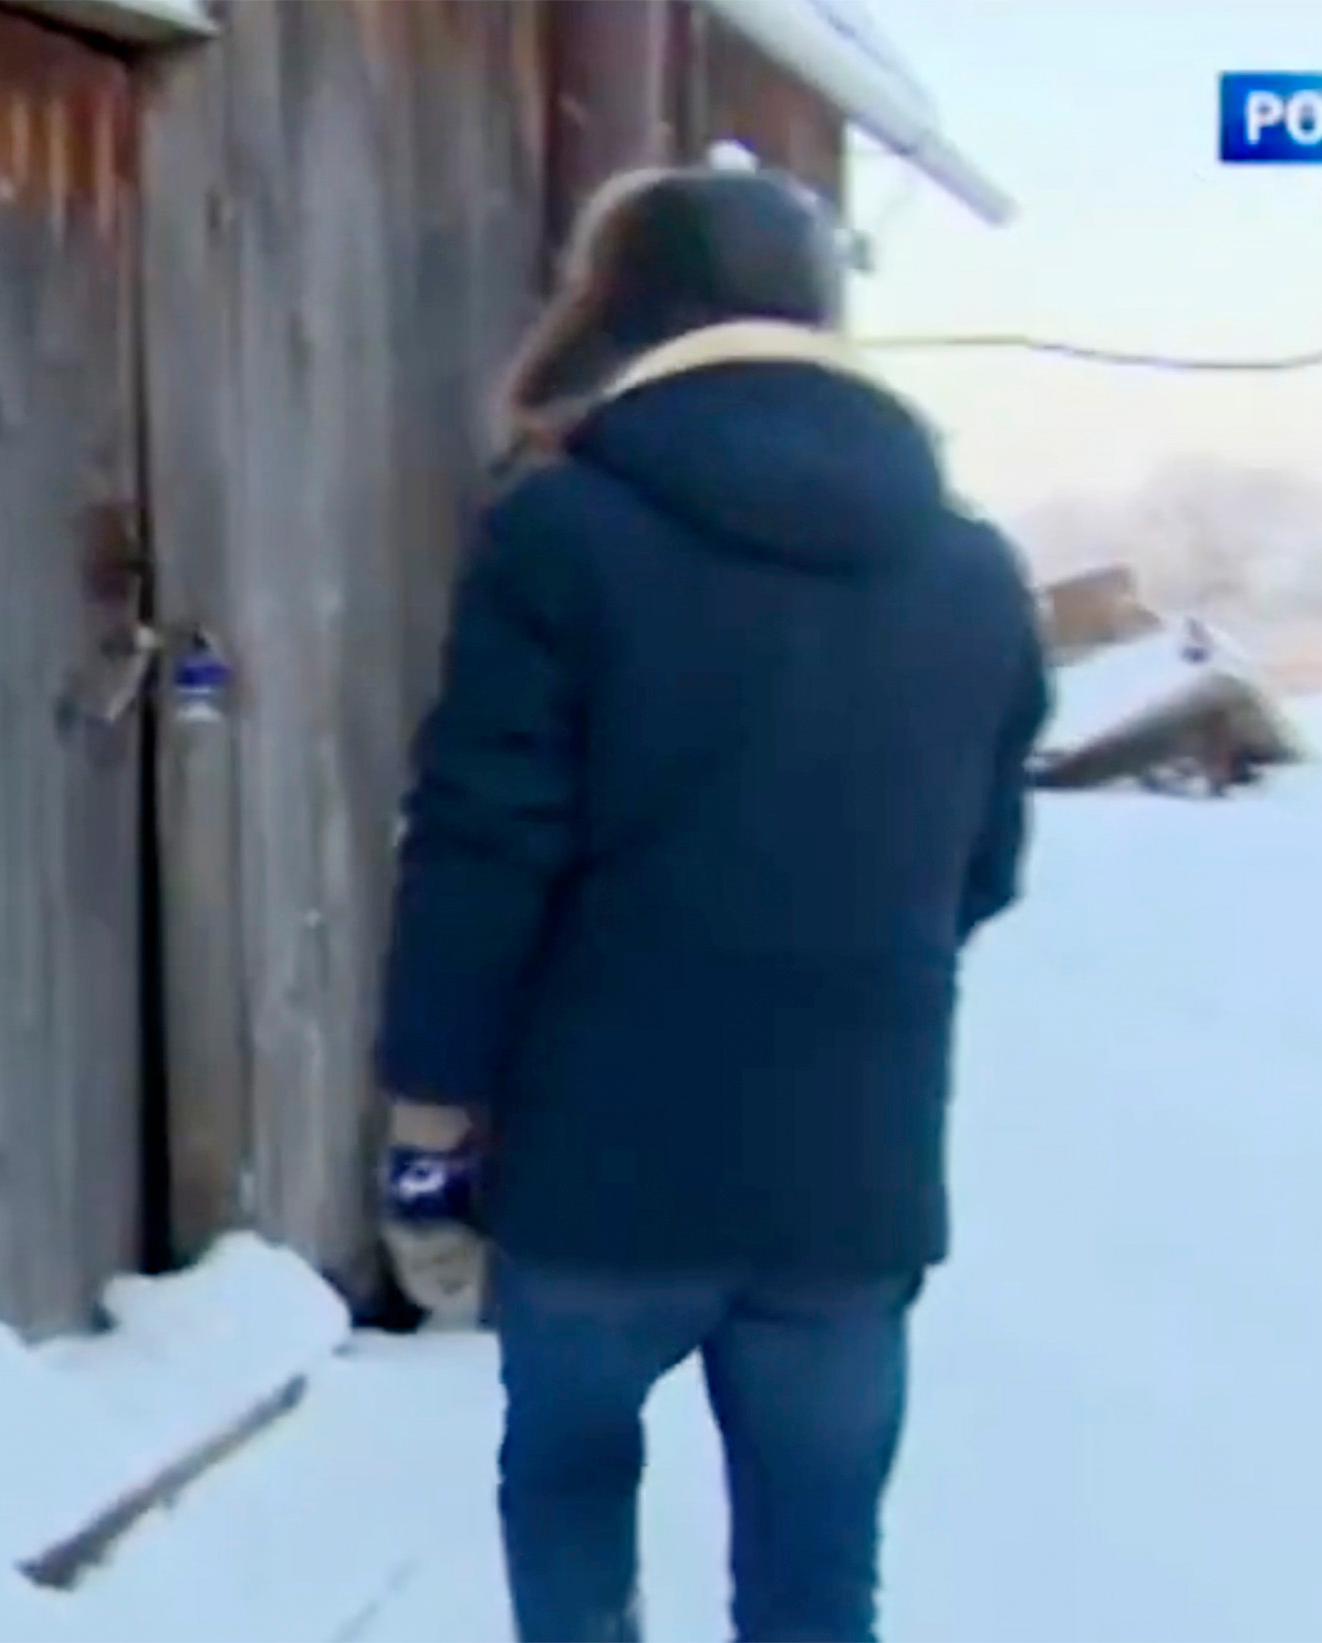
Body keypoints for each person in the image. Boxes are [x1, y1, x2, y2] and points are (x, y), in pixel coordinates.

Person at [372, 160, 1051, 1643]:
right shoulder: (976, 574)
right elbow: (982, 870)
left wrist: (432, 1127)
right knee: (818, 1577)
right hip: (848, 1175)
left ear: (617, 311)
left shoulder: (559, 532)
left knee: (566, 1498)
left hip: (596, 1176)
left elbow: (482, 848)